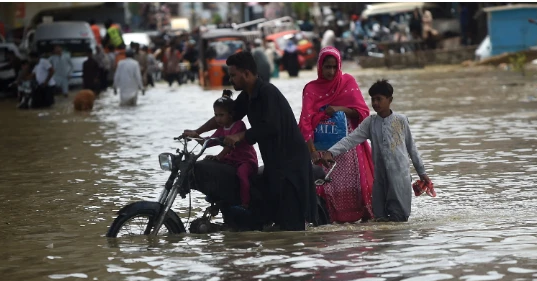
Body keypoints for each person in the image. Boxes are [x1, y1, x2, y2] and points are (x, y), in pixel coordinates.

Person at [182, 51, 317, 231]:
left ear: (246, 73)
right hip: (273, 162)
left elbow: (271, 127)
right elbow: (227, 116)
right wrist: (197, 132)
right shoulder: (247, 96)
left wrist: (240, 136)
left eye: (233, 75)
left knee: (290, 224)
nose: (230, 79)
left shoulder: (267, 93)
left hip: (290, 163)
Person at [315, 80, 431, 223]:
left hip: (400, 178)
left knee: (399, 219)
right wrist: (331, 152)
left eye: (379, 99)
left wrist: (422, 173)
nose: (375, 103)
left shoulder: (401, 121)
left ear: (390, 100)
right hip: (380, 178)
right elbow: (350, 139)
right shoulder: (371, 122)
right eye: (373, 99)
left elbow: (412, 149)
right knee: (379, 218)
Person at [298, 46, 374, 223]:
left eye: (334, 67)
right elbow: (305, 122)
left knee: (352, 186)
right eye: (327, 67)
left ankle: (356, 220)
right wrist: (312, 152)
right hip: (322, 149)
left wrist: (339, 109)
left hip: (348, 148)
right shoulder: (311, 89)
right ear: (320, 67)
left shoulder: (348, 82)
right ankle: (329, 220)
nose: (331, 72)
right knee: (326, 185)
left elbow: (362, 112)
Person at [206, 90, 258, 209]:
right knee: (212, 167)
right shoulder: (222, 128)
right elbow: (210, 140)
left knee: (242, 174)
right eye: (216, 115)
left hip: (246, 160)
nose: (217, 119)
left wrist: (219, 156)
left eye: (221, 115)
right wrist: (194, 136)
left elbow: (230, 145)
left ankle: (245, 204)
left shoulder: (239, 125)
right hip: (231, 160)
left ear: (230, 114)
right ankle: (214, 196)